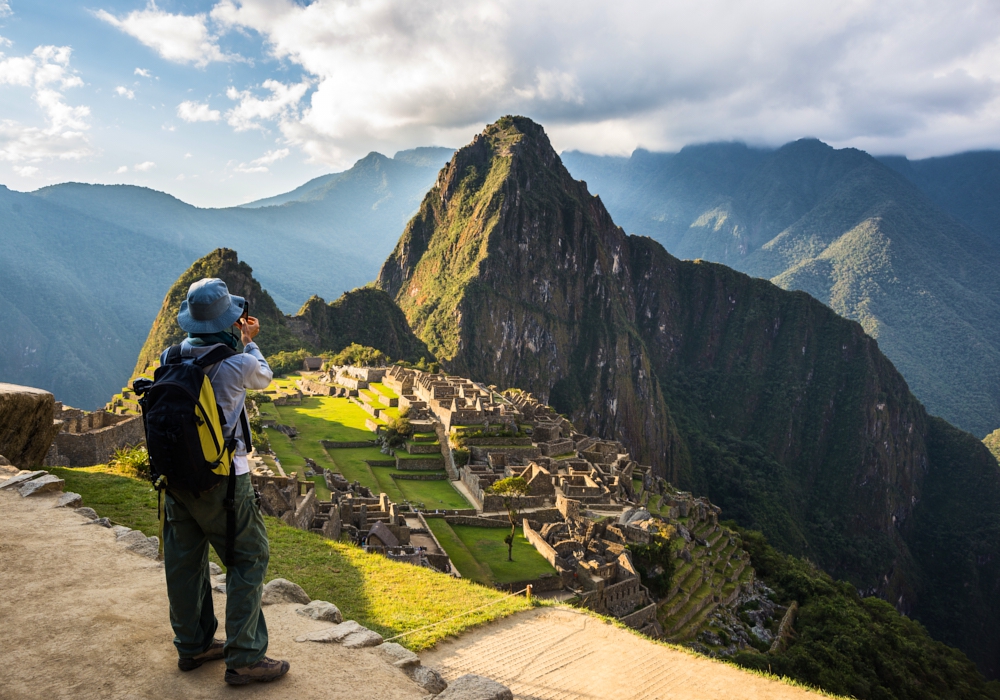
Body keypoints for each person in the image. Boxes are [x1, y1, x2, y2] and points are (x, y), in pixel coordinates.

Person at [161, 277, 289, 685]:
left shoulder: (170, 357)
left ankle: (193, 645)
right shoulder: (240, 363)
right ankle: (246, 656)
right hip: (224, 481)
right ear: (230, 319)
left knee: (184, 562)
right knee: (249, 558)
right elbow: (264, 374)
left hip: (175, 478)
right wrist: (249, 339)